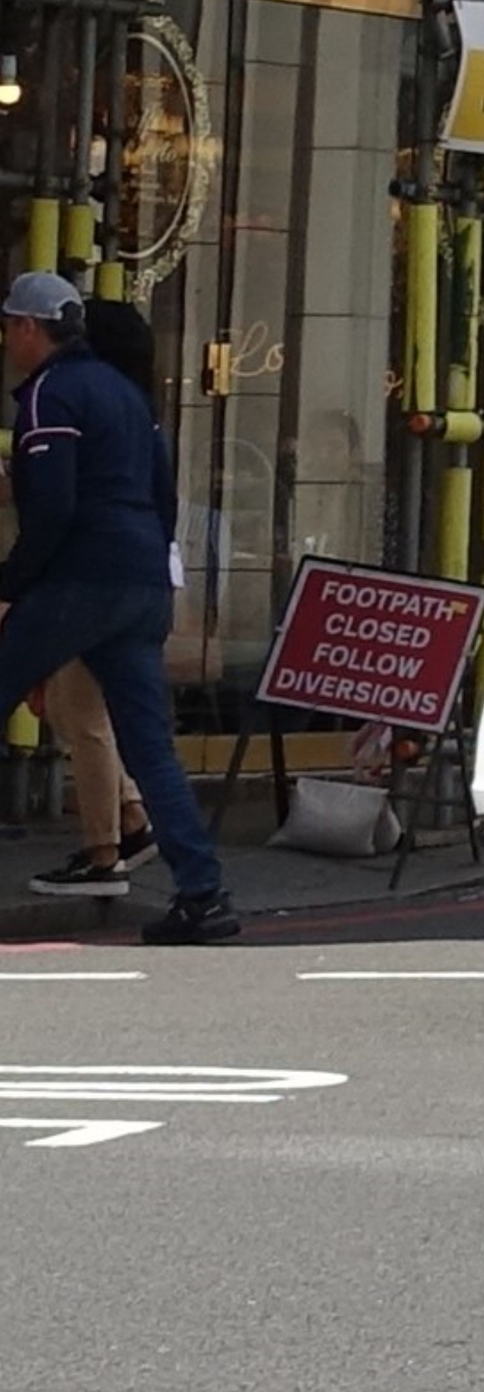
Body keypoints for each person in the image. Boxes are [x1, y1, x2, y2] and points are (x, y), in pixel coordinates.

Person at [0, 274, 235, 942]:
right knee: (150, 747)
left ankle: (193, 887)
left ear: (28, 328)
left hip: (81, 578)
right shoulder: (128, 396)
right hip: (141, 582)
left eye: (10, 326)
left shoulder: (51, 394)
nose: (8, 341)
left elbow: (53, 509)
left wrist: (10, 584)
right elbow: (163, 497)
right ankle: (203, 893)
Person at [24, 296, 159, 894]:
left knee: (83, 712)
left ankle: (103, 853)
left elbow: (63, 500)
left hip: (94, 579)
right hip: (129, 579)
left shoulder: (89, 407)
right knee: (73, 706)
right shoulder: (135, 413)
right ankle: (130, 821)